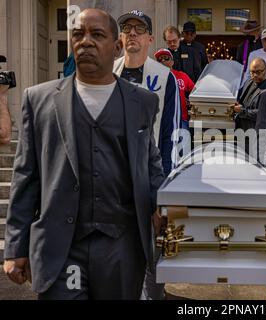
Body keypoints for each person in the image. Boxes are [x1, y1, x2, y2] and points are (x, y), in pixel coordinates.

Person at [2, 8, 165, 300]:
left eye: (97, 35)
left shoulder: (142, 102)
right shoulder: (38, 100)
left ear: (116, 47)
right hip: (62, 248)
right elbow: (25, 176)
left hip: (122, 245)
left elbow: (150, 164)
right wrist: (16, 246)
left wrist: (161, 205)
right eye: (78, 34)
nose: (85, 41)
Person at [113, 10, 180, 177]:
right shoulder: (108, 72)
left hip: (147, 169)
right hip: (111, 169)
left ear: (150, 39)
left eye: (140, 28)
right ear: (121, 37)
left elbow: (171, 132)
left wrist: (164, 178)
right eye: (127, 28)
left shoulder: (165, 78)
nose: (132, 33)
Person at [154, 48, 195, 130]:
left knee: (183, 142)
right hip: (161, 122)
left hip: (181, 120)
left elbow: (195, 92)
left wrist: (190, 101)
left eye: (166, 58)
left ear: (172, 62)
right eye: (159, 59)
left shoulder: (182, 76)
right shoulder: (153, 79)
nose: (163, 61)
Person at [234, 57, 266, 131]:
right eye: (252, 72)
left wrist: (242, 111)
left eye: (258, 72)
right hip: (241, 129)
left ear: (265, 71)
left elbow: (263, 113)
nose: (255, 75)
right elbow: (239, 97)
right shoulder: (249, 82)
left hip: (255, 133)